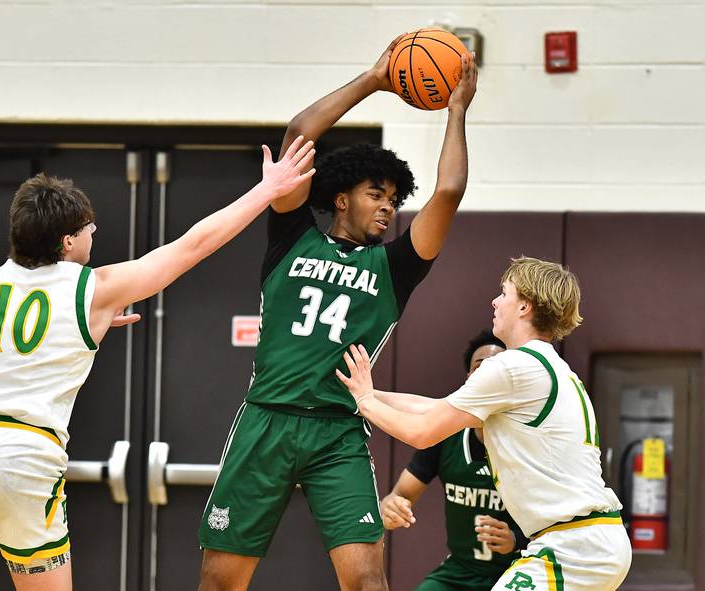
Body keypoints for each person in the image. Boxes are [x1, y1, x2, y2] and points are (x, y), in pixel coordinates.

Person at [0, 136, 315, 591]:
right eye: (89, 227)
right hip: (23, 450)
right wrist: (266, 191)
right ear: (68, 240)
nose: (95, 233)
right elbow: (191, 247)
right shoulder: (95, 287)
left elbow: (19, 344)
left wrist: (82, 331)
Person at [197, 37, 478, 591]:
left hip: (338, 432)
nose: (388, 207)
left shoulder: (395, 266)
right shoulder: (291, 236)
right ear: (342, 198)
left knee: (368, 583)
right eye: (377, 194)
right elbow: (299, 136)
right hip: (266, 421)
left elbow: (448, 190)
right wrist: (375, 79)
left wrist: (456, 111)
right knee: (220, 582)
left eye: (395, 200)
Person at [337, 257, 632, 591]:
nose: (495, 301)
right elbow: (435, 408)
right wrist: (367, 393)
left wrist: (365, 402)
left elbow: (420, 433)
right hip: (587, 541)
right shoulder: (549, 368)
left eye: (503, 292)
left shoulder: (514, 367)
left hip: (574, 547)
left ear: (524, 305)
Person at [381, 330, 527, 591]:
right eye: (481, 367)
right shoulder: (446, 436)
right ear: (469, 380)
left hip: (518, 568)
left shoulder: (530, 441)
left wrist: (516, 539)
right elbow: (401, 495)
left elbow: (560, 526)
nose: (489, 375)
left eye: (498, 369)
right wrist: (391, 506)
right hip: (461, 570)